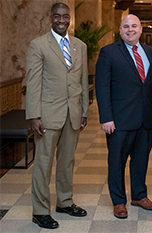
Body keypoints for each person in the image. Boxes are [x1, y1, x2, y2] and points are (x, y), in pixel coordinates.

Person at [25, 3, 89, 229]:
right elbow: (33, 83)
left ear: (70, 18)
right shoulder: (39, 45)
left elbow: (82, 81)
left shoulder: (79, 46)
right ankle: (40, 211)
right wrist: (34, 115)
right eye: (57, 16)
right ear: (50, 18)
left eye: (65, 16)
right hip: (47, 115)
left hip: (72, 114)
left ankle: (64, 202)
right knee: (43, 164)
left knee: (67, 162)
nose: (61, 20)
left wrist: (83, 111)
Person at [95, 14, 152, 219]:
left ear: (141, 29)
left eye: (134, 26)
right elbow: (102, 87)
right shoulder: (108, 53)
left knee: (141, 159)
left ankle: (139, 195)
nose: (130, 30)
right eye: (126, 26)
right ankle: (118, 200)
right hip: (120, 119)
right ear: (120, 29)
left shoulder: (150, 52)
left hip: (147, 118)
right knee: (117, 161)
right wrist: (106, 117)